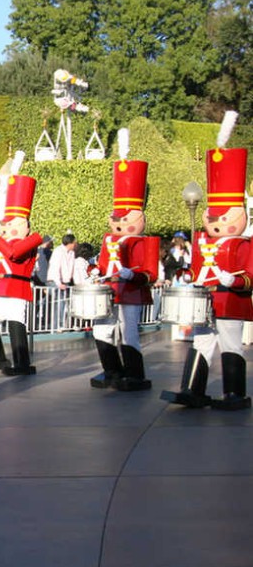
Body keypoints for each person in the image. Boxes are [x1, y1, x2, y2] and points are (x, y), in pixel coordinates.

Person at [162, 125, 252, 410]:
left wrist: (234, 281)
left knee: (230, 344)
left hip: (229, 299)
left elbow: (250, 277)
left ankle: (234, 393)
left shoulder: (244, 244)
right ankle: (192, 389)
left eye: (223, 219)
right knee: (201, 343)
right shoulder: (203, 241)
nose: (216, 225)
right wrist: (188, 277)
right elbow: (197, 267)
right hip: (207, 299)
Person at [88, 130, 159, 392]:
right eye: (116, 218)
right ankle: (111, 370)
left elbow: (151, 274)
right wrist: (95, 269)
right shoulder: (109, 240)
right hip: (110, 291)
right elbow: (103, 264)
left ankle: (135, 374)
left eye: (125, 218)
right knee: (102, 331)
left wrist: (134, 275)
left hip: (131, 292)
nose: (119, 222)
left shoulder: (146, 242)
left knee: (129, 333)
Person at [0, 154, 42, 376]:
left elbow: (13, 254)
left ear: (24, 225)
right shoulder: (0, 242)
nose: (5, 227)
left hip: (16, 290)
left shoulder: (30, 241)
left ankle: (21, 363)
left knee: (15, 324)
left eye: (9, 224)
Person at [47, 233, 77, 329]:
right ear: (70, 243)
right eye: (74, 243)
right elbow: (55, 267)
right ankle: (57, 326)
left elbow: (72, 268)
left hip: (66, 281)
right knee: (59, 303)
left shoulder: (72, 253)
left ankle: (63, 324)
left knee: (64, 304)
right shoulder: (58, 251)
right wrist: (59, 283)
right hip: (55, 281)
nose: (75, 245)